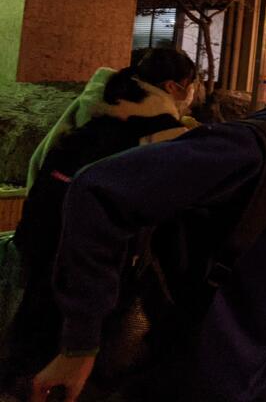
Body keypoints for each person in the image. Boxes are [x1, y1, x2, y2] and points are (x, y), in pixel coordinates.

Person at [29, 20, 266, 402]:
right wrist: (80, 345)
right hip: (198, 379)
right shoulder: (249, 150)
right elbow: (96, 189)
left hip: (257, 373)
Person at [2, 48, 197, 393]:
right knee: (80, 345)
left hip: (41, 234)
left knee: (32, 328)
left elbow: (39, 159)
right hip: (97, 256)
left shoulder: (95, 104)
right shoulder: (165, 133)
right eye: (192, 84)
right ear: (174, 86)